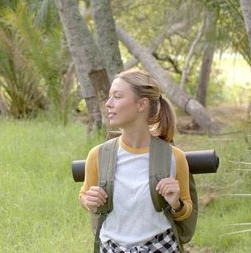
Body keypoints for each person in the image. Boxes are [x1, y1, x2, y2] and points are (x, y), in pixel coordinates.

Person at [79, 68, 193, 253]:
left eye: (117, 96)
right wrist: (88, 200)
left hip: (161, 247)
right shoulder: (98, 155)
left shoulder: (174, 157)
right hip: (111, 248)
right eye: (109, 97)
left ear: (141, 104)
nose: (108, 103)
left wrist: (176, 203)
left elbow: (186, 210)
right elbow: (84, 196)